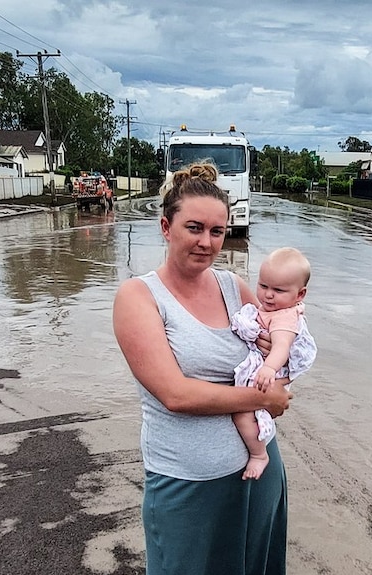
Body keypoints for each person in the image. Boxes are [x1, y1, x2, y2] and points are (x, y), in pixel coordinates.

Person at [112, 162, 293, 575]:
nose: (207, 242)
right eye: (194, 228)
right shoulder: (139, 297)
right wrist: (264, 397)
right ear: (165, 226)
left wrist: (279, 352)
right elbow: (176, 395)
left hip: (259, 469)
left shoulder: (234, 287)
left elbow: (280, 349)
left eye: (217, 231)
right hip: (188, 480)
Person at [231, 247, 317, 480]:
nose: (268, 295)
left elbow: (281, 347)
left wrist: (268, 368)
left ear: (300, 295)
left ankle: (259, 454)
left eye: (278, 290)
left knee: (242, 415)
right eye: (263, 286)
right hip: (267, 371)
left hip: (271, 374)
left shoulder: (285, 317)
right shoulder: (272, 309)